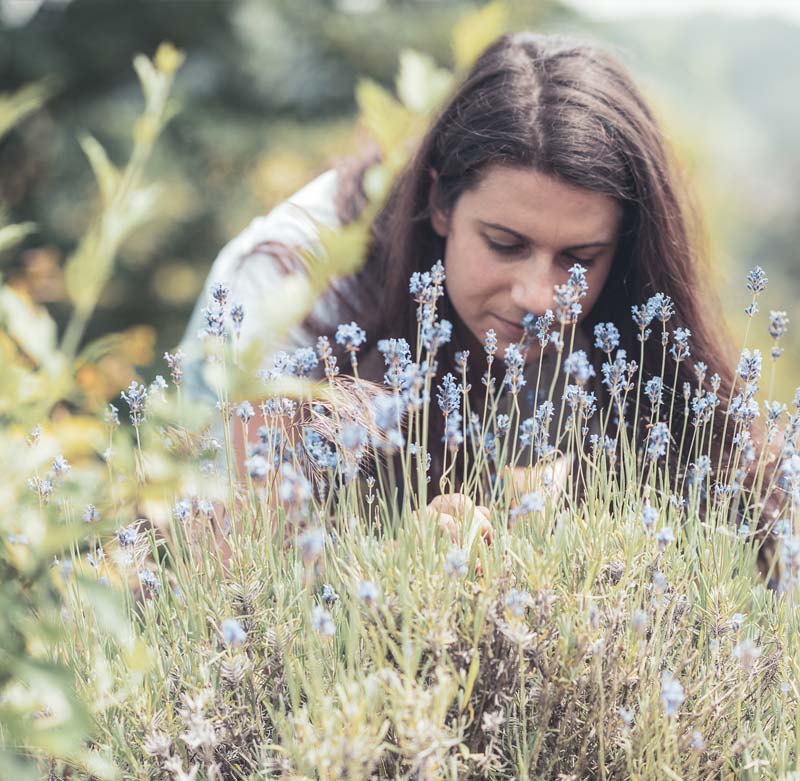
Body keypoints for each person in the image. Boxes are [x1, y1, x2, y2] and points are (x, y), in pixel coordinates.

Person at [180, 31, 782, 578]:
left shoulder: (620, 289)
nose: (539, 297)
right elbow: (237, 578)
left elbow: (716, 490)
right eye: (504, 244)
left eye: (579, 258)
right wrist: (396, 572)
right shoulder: (283, 284)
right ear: (441, 202)